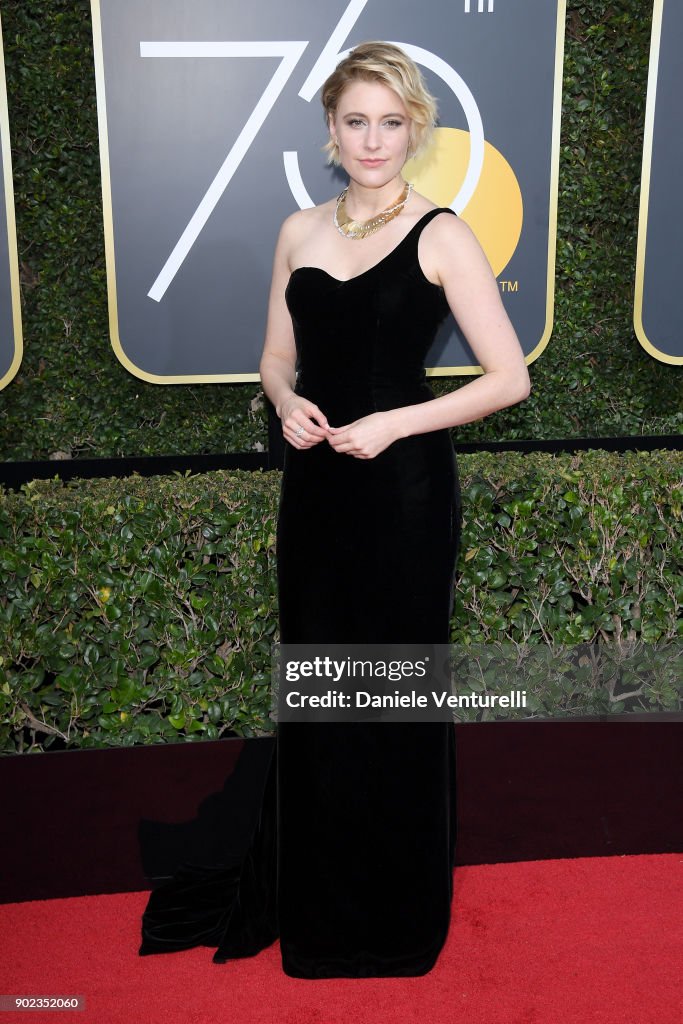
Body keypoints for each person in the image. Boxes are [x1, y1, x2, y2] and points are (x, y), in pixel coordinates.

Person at [139, 40, 529, 979]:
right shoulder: (298, 230)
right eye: (355, 120)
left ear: (415, 129)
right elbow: (276, 355)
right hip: (315, 487)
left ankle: (395, 913)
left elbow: (508, 379)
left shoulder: (443, 233)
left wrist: (394, 421)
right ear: (328, 128)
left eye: (390, 122)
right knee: (318, 687)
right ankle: (320, 904)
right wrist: (283, 401)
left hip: (403, 492)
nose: (372, 140)